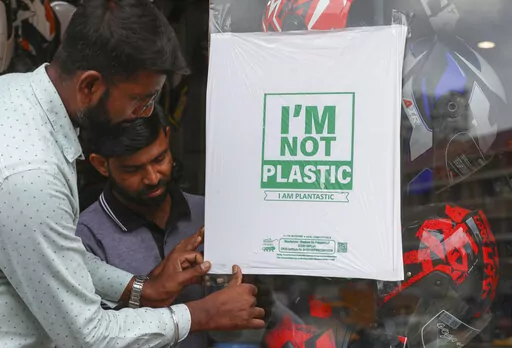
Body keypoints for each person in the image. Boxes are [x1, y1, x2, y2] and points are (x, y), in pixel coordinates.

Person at [0, 0, 264, 347]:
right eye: (140, 100)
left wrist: (144, 290)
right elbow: (86, 336)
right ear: (90, 87)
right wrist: (201, 315)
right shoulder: (31, 176)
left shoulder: (15, 93)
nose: (144, 115)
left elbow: (55, 259)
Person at [76, 111, 206, 347]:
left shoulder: (207, 214)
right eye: (132, 170)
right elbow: (92, 334)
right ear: (101, 164)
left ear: (167, 138)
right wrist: (153, 284)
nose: (152, 178)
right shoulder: (84, 236)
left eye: (159, 159)